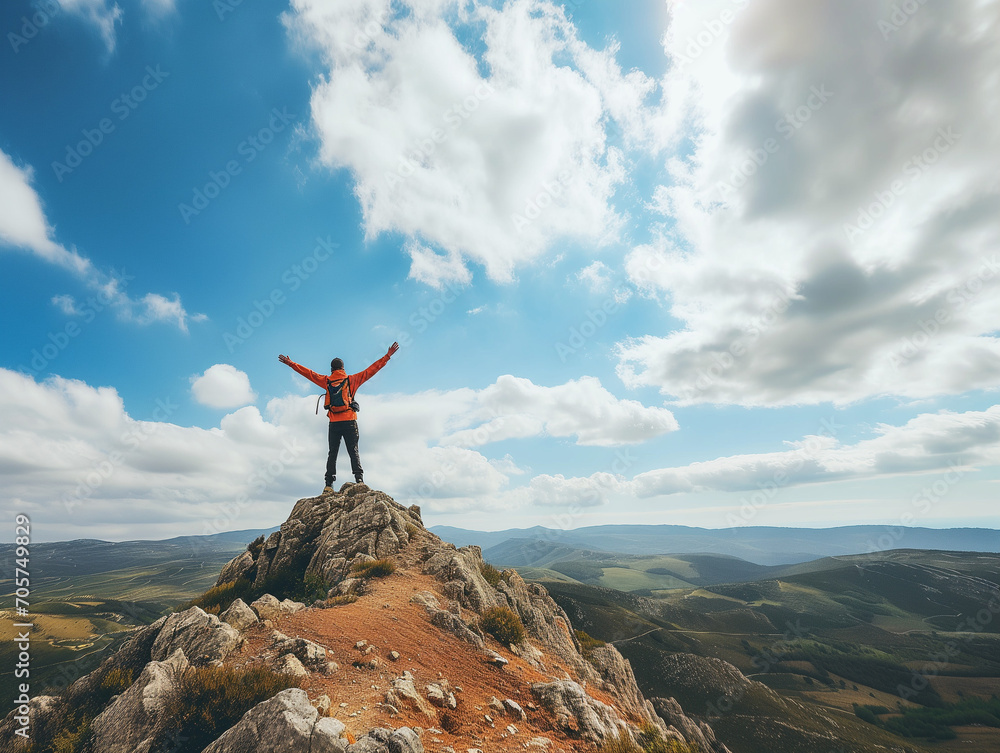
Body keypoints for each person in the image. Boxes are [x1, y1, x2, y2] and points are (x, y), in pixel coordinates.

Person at [278, 342, 399, 493]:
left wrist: (290, 363)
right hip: (349, 421)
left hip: (334, 423)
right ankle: (359, 480)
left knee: (332, 453)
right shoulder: (352, 380)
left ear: (331, 370)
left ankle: (328, 485)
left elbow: (308, 373)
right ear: (343, 369)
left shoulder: (326, 381)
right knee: (353, 451)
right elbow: (372, 370)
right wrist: (387, 356)